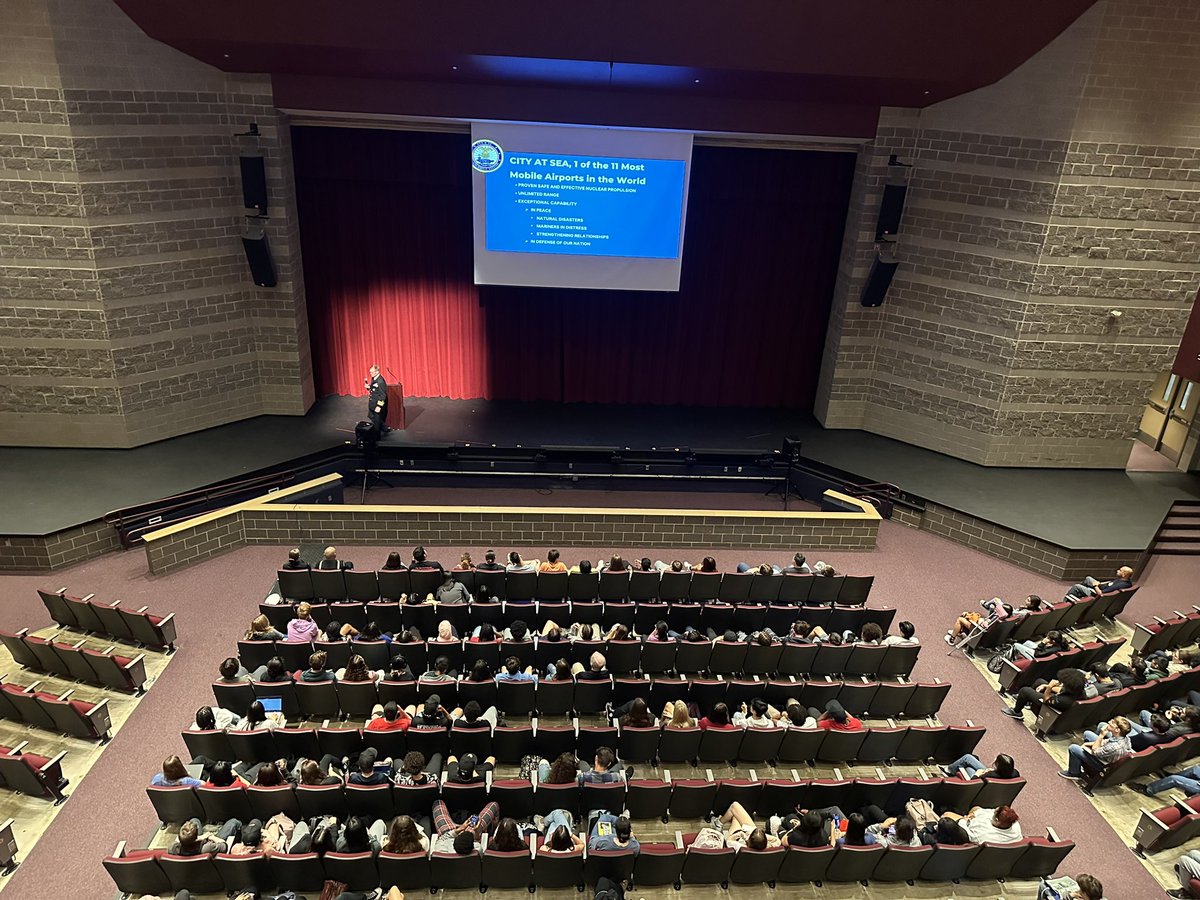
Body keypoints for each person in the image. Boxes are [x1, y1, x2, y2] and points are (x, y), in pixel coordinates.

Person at [1061, 717, 1132, 780]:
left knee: (1073, 748)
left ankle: (1074, 772)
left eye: (1112, 722)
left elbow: (1095, 751)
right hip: (1106, 754)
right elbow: (1105, 742)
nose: (1109, 722)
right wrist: (1086, 744)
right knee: (1087, 734)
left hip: (1102, 764)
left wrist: (1101, 735)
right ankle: (1082, 763)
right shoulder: (1125, 738)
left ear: (1117, 730)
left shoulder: (1114, 747)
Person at [1003, 668, 1088, 719]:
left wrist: (1049, 687)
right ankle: (1026, 701)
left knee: (1024, 691)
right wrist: (1045, 685)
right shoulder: (1078, 689)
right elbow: (1061, 690)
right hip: (1058, 700)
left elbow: (1046, 700)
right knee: (1040, 681)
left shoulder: (1065, 700)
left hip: (1051, 708)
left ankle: (1016, 712)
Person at [945, 805, 1023, 843]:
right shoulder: (1014, 825)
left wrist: (964, 820)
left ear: (996, 820)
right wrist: (973, 814)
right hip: (974, 821)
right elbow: (978, 809)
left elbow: (966, 833)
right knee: (976, 808)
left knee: (946, 815)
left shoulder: (982, 834)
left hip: (968, 829)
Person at [1064, 565, 1134, 601]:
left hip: (1097, 596)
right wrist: (1099, 583)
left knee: (1077, 586)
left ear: (1124, 574)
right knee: (1088, 578)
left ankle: (1065, 602)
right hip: (1100, 588)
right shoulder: (1124, 581)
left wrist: (1096, 586)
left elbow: (1101, 593)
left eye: (1120, 570)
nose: (1117, 570)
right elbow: (1110, 583)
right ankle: (1079, 595)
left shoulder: (1120, 585)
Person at [942, 752, 1018, 780]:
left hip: (977, 780)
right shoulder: (1015, 774)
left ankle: (949, 770)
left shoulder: (989, 775)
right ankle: (950, 769)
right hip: (994, 779)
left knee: (968, 767)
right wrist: (993, 771)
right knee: (968, 758)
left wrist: (977, 774)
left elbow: (974, 782)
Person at [365, 363, 388, 435]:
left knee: (377, 422)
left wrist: (379, 406)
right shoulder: (374, 378)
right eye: (370, 372)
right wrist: (369, 387)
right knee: (371, 416)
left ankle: (377, 436)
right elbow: (374, 389)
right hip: (372, 403)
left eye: (372, 372)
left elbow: (382, 395)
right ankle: (384, 428)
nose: (371, 374)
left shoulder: (380, 381)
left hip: (377, 404)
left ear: (377, 371)